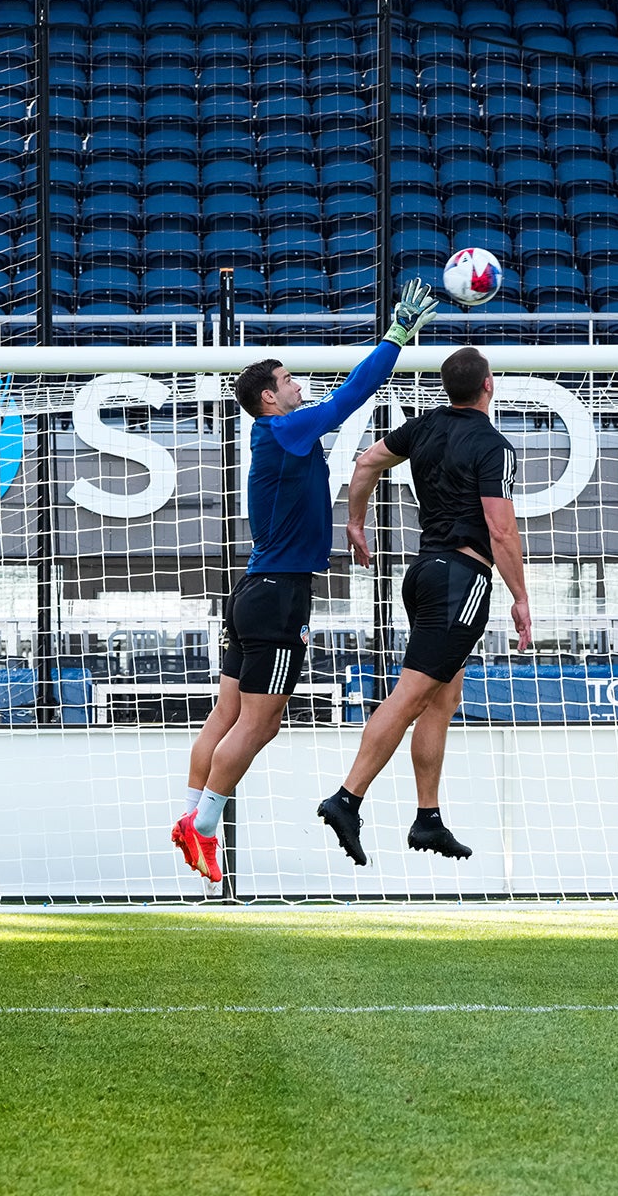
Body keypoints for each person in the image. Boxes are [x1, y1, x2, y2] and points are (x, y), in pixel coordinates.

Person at [171, 279, 441, 883]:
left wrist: (345, 522)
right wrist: (396, 336)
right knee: (259, 723)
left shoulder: (274, 438)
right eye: (288, 380)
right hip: (277, 598)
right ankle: (203, 827)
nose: (298, 385)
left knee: (225, 715)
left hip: (251, 594)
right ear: (269, 398)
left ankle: (186, 813)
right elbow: (351, 397)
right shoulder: (284, 430)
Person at [317, 346, 531, 865]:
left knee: (441, 700)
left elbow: (367, 461)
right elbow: (500, 530)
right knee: (412, 696)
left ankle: (427, 818)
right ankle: (347, 798)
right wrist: (521, 597)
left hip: (424, 574)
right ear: (489, 385)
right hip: (462, 580)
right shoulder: (493, 445)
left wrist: (355, 521)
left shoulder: (424, 426)